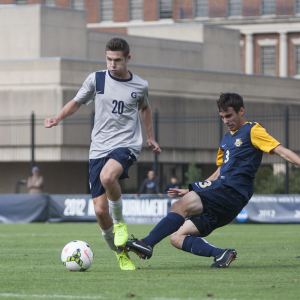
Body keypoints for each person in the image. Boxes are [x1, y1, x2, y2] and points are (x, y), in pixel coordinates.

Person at [125, 92, 300, 268]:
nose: (226, 121)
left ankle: (147, 243)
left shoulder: (252, 130)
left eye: (229, 115)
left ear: (241, 111)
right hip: (223, 197)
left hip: (231, 190)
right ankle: (221, 254)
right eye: (222, 117)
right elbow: (219, 171)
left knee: (178, 206)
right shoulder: (225, 140)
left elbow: (281, 151)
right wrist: (192, 191)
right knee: (177, 237)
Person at [44, 37, 161, 271]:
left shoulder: (140, 85)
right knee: (99, 211)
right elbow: (77, 102)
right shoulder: (96, 79)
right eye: (109, 59)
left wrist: (149, 136)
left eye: (117, 60)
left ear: (127, 59)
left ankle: (120, 224)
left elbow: (145, 108)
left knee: (108, 177)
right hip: (98, 147)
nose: (112, 64)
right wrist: (58, 117)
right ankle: (120, 254)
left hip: (127, 144)